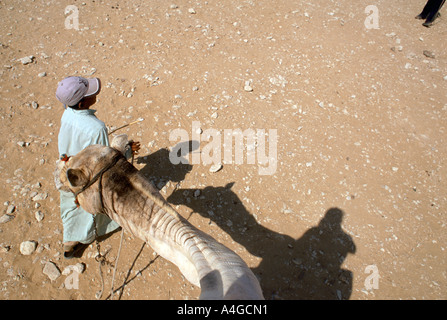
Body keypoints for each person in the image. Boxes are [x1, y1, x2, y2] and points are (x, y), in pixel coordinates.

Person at [56, 76, 140, 259]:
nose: (95, 94)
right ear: (81, 104)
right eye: (89, 94)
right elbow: (103, 162)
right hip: (88, 173)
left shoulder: (66, 113)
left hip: (68, 167)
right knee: (91, 208)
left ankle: (70, 240)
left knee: (71, 204)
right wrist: (126, 150)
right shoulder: (97, 128)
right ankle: (87, 236)